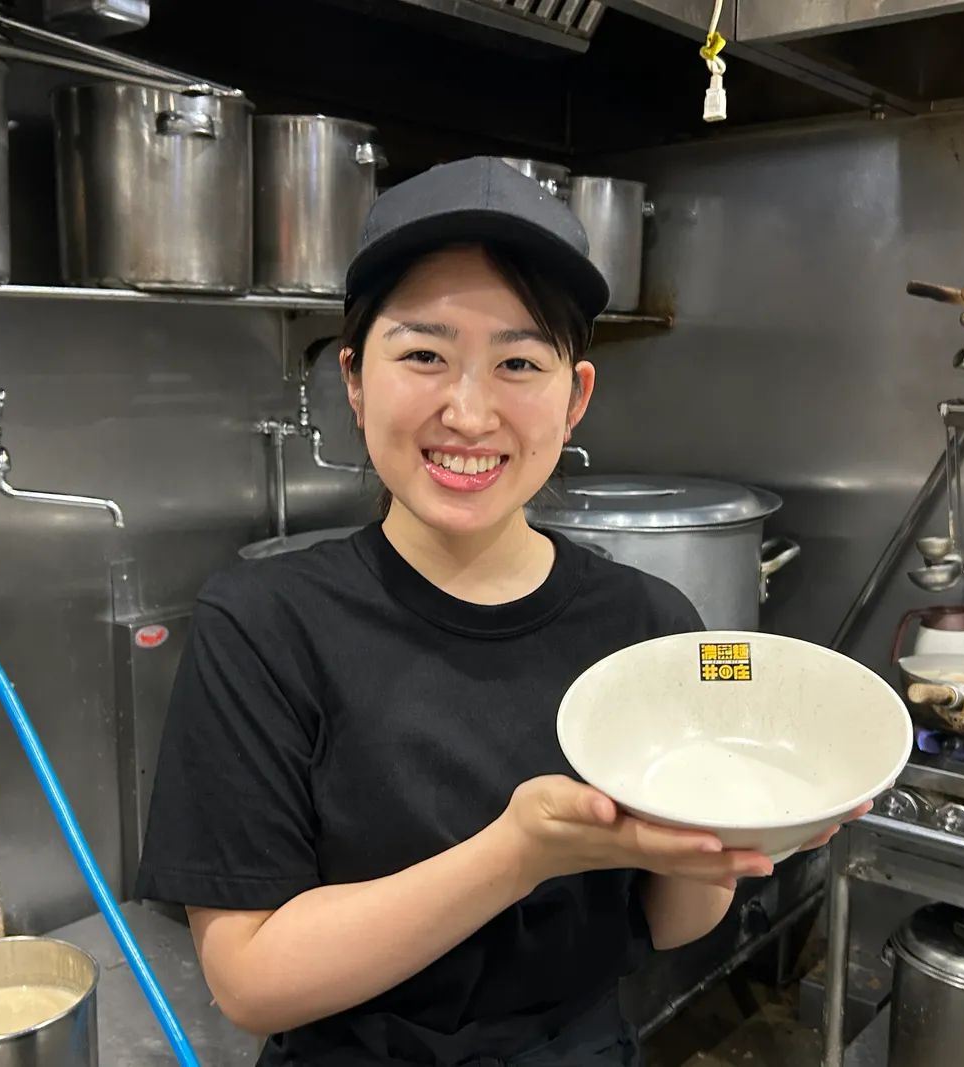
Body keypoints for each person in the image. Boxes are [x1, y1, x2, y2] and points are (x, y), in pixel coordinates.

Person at [135, 156, 867, 1067]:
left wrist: (731, 836)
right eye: (424, 355)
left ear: (575, 398)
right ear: (356, 381)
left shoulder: (650, 624)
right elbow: (250, 981)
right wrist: (518, 854)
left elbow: (673, 923)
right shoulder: (264, 621)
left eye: (519, 362)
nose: (470, 412)